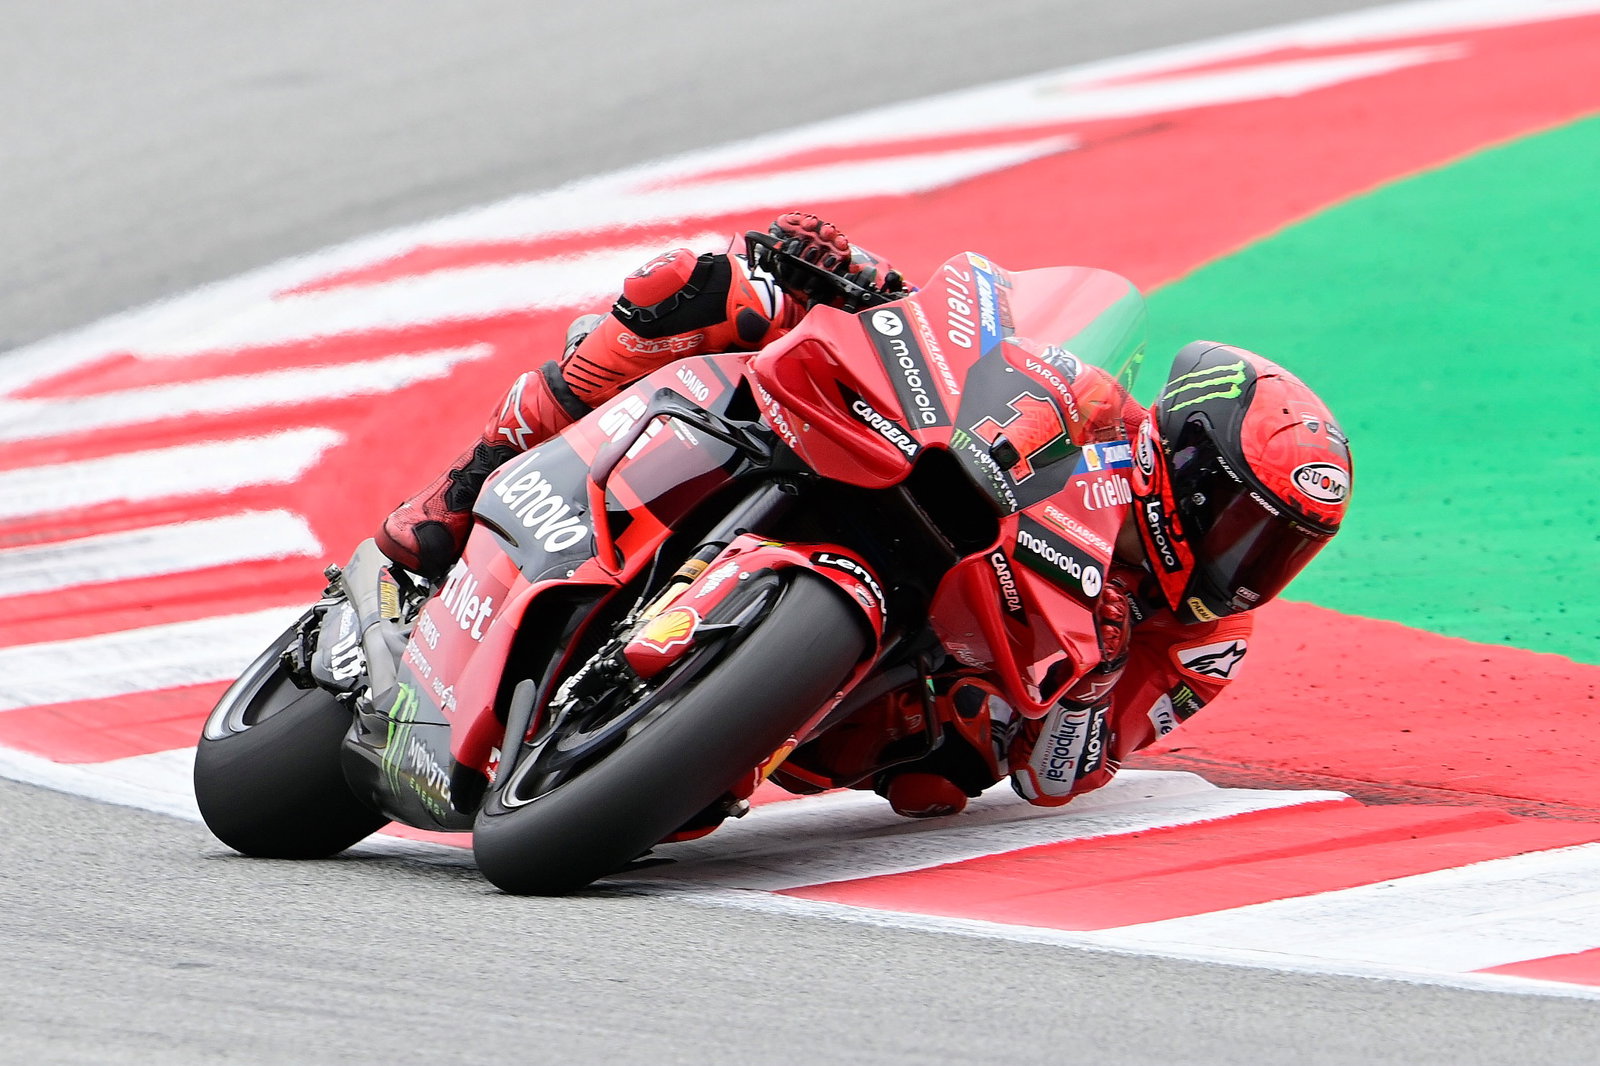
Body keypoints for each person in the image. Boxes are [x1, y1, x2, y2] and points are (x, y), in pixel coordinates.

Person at [375, 212, 1353, 822]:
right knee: (709, 294)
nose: (1249, 566)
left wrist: (1088, 684)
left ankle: (700, 731)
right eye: (1244, 525)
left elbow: (1064, 775)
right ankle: (461, 492)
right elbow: (965, 331)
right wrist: (853, 276)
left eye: (1279, 551)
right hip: (898, 470)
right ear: (1179, 462)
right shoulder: (1099, 413)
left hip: (940, 670)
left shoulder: (1204, 641)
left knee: (946, 764)